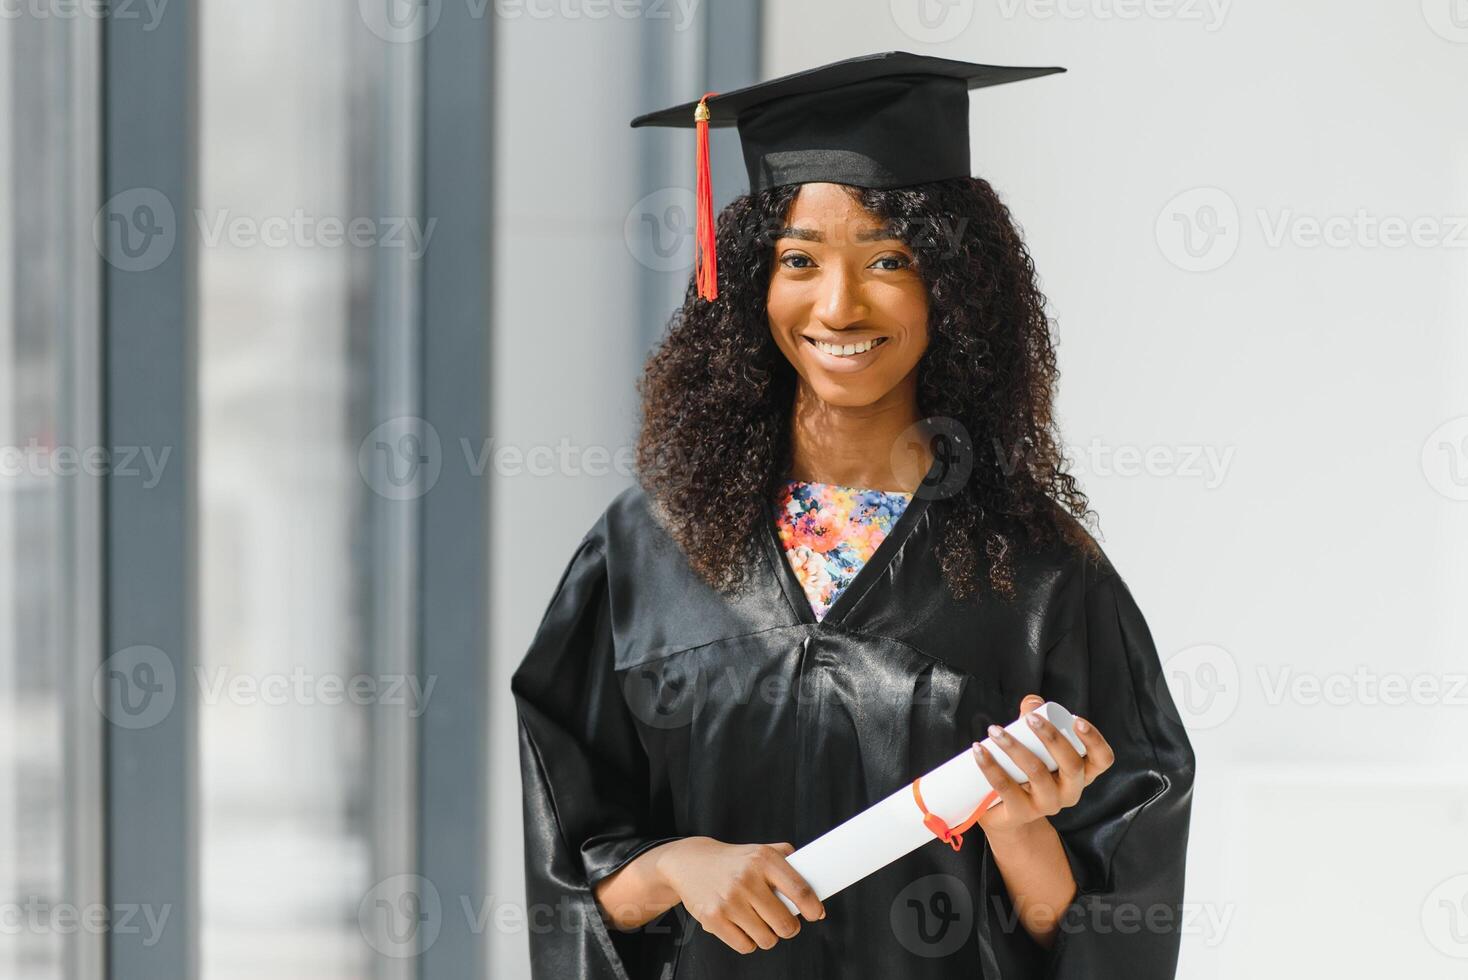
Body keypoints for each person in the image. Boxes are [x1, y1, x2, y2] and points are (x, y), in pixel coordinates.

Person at [511, 51, 1196, 980]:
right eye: (799, 260)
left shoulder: (1038, 575)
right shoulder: (645, 551)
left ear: (954, 288)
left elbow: (1107, 936)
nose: (838, 305)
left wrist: (1016, 822)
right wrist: (676, 868)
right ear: (750, 279)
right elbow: (571, 881)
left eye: (888, 259)